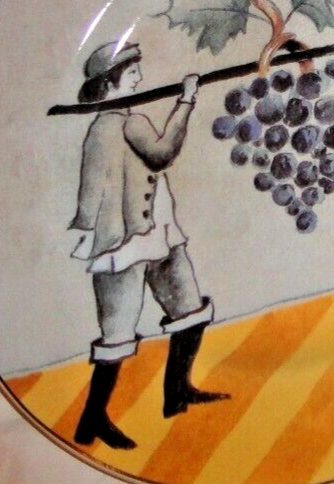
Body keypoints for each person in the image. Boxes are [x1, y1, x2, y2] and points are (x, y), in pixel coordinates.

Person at [69, 40, 227, 450]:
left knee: (188, 311)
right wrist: (186, 102)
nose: (139, 77)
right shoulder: (126, 122)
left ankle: (178, 392)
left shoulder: (100, 126)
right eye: (132, 72)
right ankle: (92, 420)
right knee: (117, 335)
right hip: (126, 243)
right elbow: (162, 154)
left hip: (157, 233)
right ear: (112, 83)